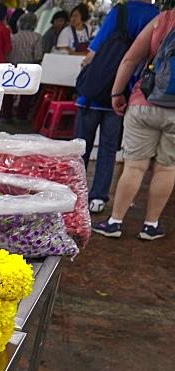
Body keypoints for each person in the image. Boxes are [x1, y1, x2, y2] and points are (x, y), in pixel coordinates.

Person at [96, 9, 175, 240]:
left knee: (134, 167)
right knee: (167, 168)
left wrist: (116, 94)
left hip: (145, 101)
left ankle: (115, 222)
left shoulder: (164, 18)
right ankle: (151, 226)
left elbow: (130, 58)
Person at [76, 0, 158, 213]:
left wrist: (85, 68)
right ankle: (98, 198)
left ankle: (75, 194)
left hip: (96, 92)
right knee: (109, 147)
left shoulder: (120, 12)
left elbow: (95, 50)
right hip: (125, 93)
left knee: (80, 146)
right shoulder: (158, 17)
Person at [5, 12, 44, 120]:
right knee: (26, 94)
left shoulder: (13, 37)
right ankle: (21, 115)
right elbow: (38, 56)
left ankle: (7, 114)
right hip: (29, 69)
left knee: (9, 92)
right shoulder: (37, 37)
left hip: (13, 67)